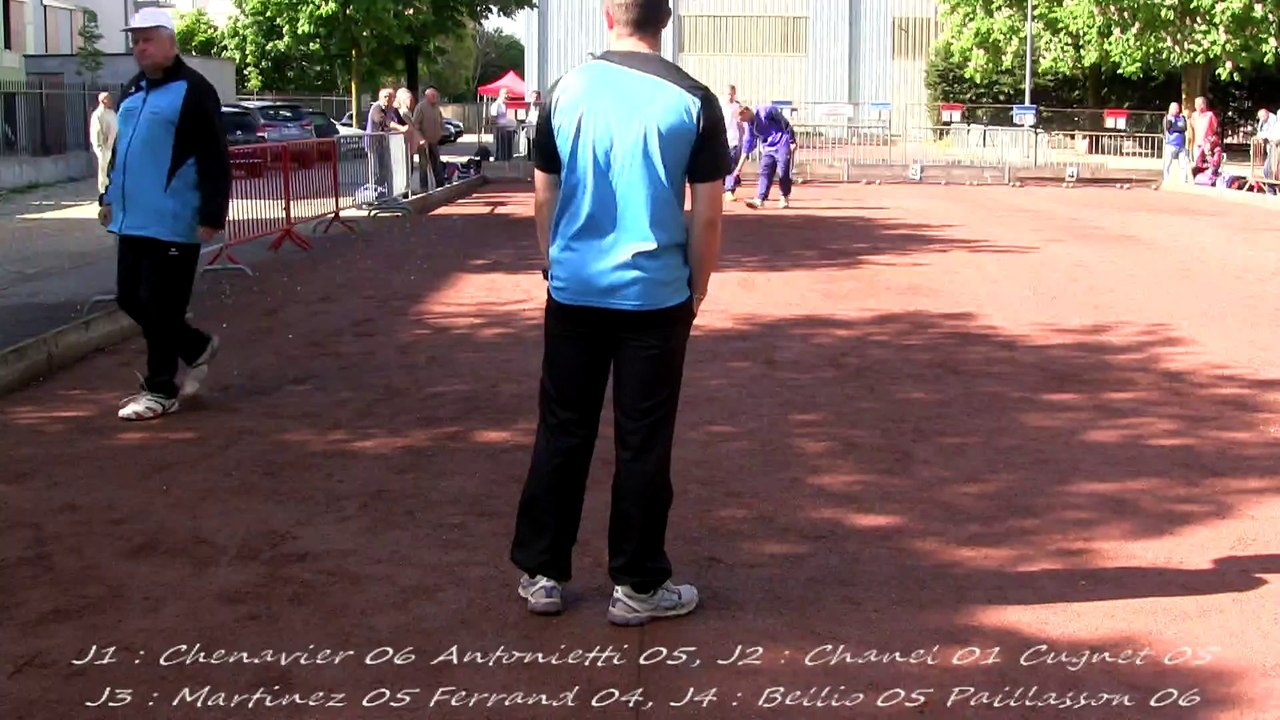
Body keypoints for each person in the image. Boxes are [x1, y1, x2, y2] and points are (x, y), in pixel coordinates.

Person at [510, 0, 730, 626]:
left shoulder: (564, 90)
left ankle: (542, 572)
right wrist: (699, 284)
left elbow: (545, 191)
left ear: (608, 15)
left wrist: (551, 262)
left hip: (575, 288)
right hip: (655, 297)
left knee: (563, 427)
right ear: (667, 18)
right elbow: (708, 212)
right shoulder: (694, 99)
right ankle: (637, 585)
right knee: (643, 440)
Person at [97, 7, 230, 421]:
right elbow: (122, 149)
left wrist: (212, 212)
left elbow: (214, 155)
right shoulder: (133, 89)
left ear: (171, 42)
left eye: (148, 38)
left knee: (160, 305)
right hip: (132, 217)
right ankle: (193, 347)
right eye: (135, 40)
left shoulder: (195, 89)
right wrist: (106, 195)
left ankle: (160, 389)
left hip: (174, 219)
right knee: (130, 298)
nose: (139, 47)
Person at [732, 103, 796, 209]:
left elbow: (784, 122)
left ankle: (784, 197)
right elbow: (747, 145)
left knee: (783, 171)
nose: (743, 122)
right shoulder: (750, 125)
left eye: (742, 119)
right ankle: (760, 198)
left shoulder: (766, 110)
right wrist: (739, 168)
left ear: (745, 112)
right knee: (765, 171)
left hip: (782, 143)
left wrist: (792, 140)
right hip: (768, 148)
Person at [412, 86, 445, 189]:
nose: (435, 97)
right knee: (424, 165)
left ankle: (440, 185)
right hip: (423, 142)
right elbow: (415, 125)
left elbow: (441, 122)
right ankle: (424, 187)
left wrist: (440, 132)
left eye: (436, 95)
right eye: (433, 95)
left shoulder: (437, 108)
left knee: (436, 163)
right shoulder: (420, 107)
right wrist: (420, 138)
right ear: (427, 96)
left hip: (434, 141)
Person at [364, 88, 394, 196]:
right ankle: (373, 193)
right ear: (380, 98)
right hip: (373, 144)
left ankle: (382, 192)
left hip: (383, 144)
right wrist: (400, 128)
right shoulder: (376, 108)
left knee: (384, 169)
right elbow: (383, 121)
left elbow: (395, 119)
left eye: (390, 97)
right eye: (385, 97)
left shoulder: (390, 109)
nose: (388, 99)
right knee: (374, 169)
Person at [89, 92, 117, 194]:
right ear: (102, 101)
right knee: (103, 169)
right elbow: (96, 131)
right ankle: (104, 190)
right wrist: (100, 146)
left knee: (112, 168)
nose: (110, 100)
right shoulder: (98, 114)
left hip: (113, 144)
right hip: (104, 147)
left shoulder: (111, 113)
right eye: (108, 98)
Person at [721, 84, 745, 202]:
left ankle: (729, 190)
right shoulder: (719, 106)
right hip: (720, 140)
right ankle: (722, 188)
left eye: (732, 94)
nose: (730, 97)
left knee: (732, 166)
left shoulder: (738, 107)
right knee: (720, 166)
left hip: (733, 140)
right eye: (728, 94)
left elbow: (742, 124)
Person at [1161, 101, 1189, 185]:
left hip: (1181, 145)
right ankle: (1166, 179)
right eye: (1175, 108)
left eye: (1178, 108)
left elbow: (1184, 128)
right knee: (1168, 163)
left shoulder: (1181, 118)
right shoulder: (1167, 118)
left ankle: (1184, 180)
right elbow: (1168, 127)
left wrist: (1176, 127)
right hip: (1170, 144)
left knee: (1183, 163)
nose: (1177, 110)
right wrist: (1171, 119)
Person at [490, 88, 517, 161]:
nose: (507, 95)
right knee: (502, 150)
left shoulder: (508, 104)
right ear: (500, 94)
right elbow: (493, 119)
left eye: (508, 93)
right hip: (501, 131)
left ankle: (508, 164)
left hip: (510, 130)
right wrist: (499, 129)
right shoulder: (496, 105)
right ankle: (500, 164)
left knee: (509, 151)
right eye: (505, 93)